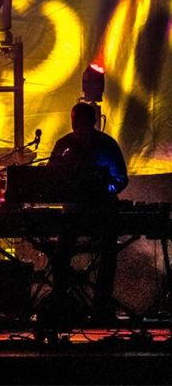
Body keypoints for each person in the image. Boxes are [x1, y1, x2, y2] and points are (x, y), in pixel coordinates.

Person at [47, 102, 128, 318]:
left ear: (92, 122)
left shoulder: (106, 145)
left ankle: (99, 304)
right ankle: (64, 302)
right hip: (73, 214)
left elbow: (121, 178)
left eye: (84, 122)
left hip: (100, 213)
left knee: (107, 251)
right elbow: (49, 177)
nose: (80, 127)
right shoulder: (65, 145)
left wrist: (105, 190)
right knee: (60, 255)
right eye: (77, 122)